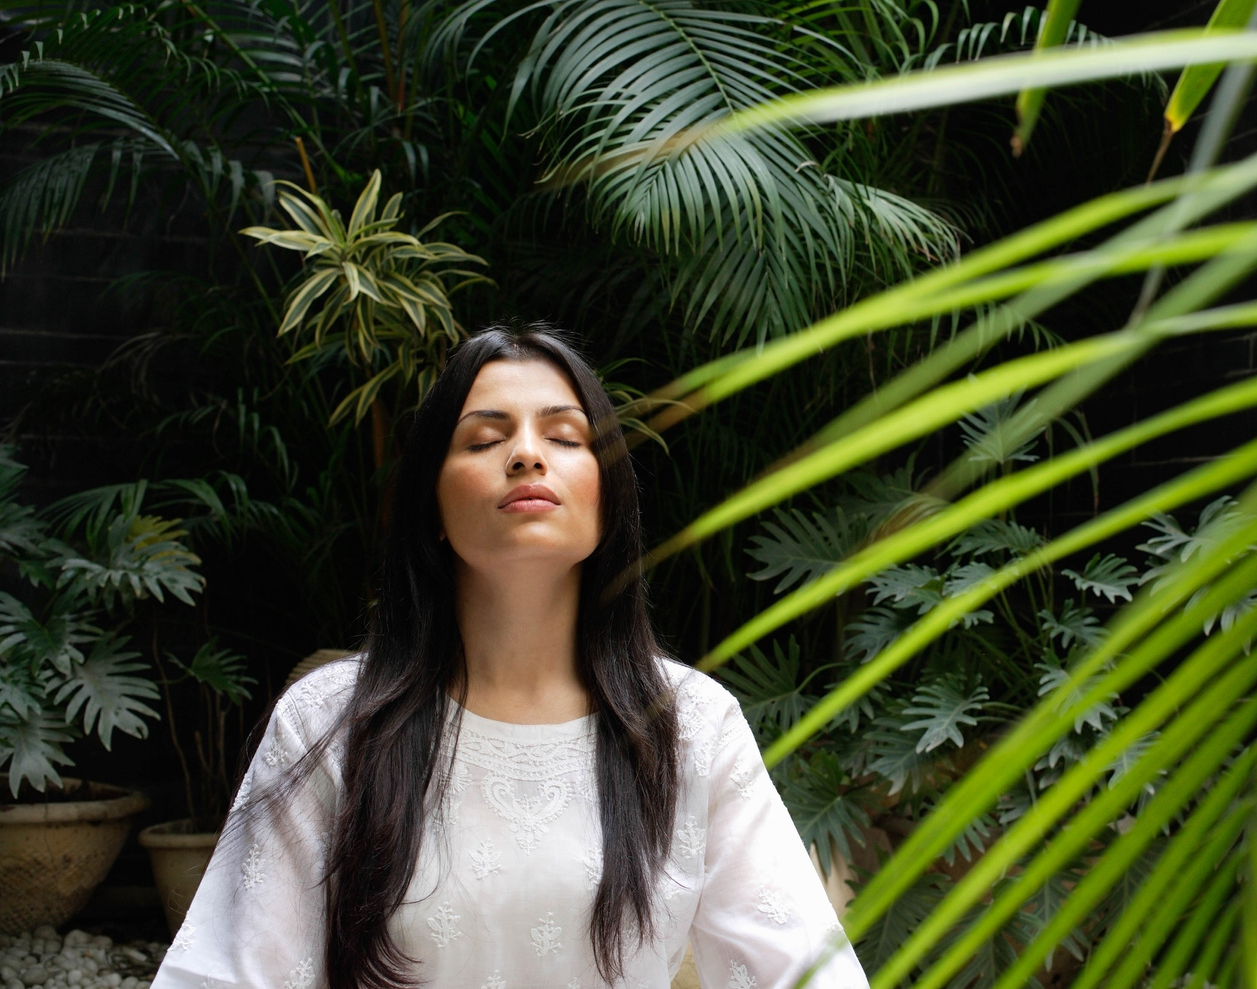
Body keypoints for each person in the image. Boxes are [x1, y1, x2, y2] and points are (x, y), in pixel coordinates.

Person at [152, 324, 867, 989]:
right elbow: (229, 974)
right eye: (483, 439)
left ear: (607, 495)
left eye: (563, 436)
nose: (526, 454)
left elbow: (805, 969)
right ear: (430, 503)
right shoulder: (331, 721)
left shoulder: (687, 726)